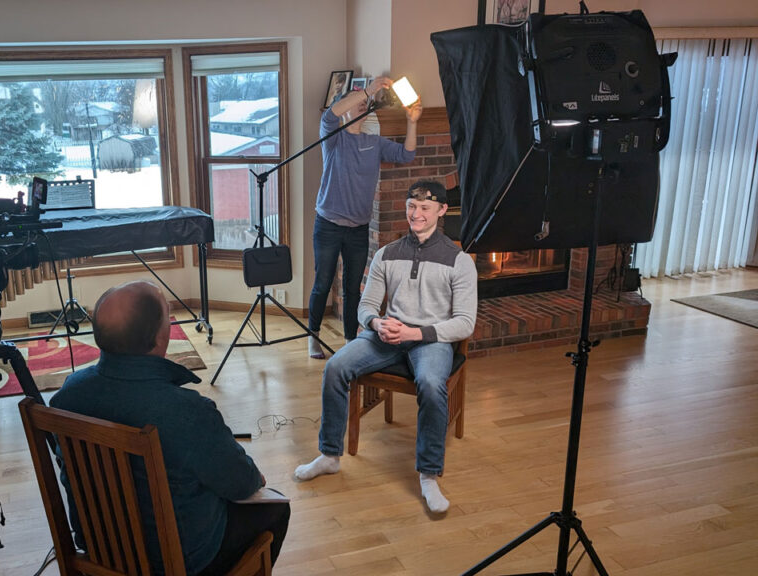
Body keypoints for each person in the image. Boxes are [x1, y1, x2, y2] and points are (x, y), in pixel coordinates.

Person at [49, 281, 290, 575]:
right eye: (167, 312)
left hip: (100, 549)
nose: (171, 314)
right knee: (276, 508)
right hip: (177, 561)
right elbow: (242, 483)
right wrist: (253, 478)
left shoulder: (68, 394)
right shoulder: (186, 411)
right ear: (160, 337)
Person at [295, 180, 477, 514]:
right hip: (387, 335)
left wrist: (415, 334)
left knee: (432, 384)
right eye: (411, 205)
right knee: (336, 367)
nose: (416, 213)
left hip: (430, 340)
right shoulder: (386, 254)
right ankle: (329, 455)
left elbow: (465, 323)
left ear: (441, 211)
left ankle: (428, 474)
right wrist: (377, 323)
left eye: (424, 207)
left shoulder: (459, 260)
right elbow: (366, 306)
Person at [309, 75, 423, 359]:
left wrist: (412, 121)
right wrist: (368, 90)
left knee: (352, 288)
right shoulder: (333, 137)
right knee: (323, 282)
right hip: (328, 225)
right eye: (356, 101)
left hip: (358, 229)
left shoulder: (375, 143)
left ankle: (349, 341)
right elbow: (331, 113)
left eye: (364, 102)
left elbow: (407, 155)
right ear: (346, 107)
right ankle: (313, 337)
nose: (362, 105)